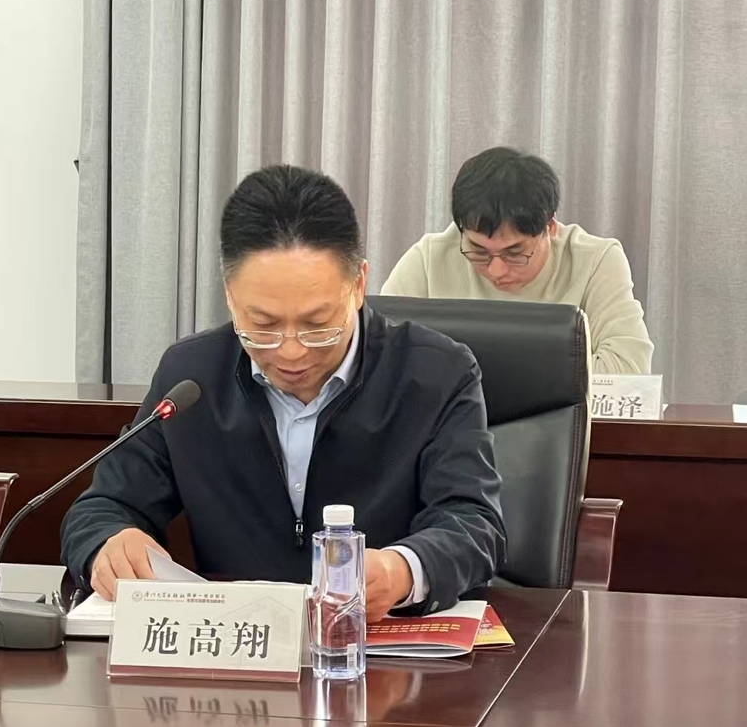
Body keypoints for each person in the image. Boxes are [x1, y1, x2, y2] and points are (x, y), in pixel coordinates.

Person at [61, 164, 506, 622]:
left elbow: (475, 524)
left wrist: (403, 570)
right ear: (230, 295)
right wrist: (108, 544)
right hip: (236, 649)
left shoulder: (436, 374)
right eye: (263, 326)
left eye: (317, 325)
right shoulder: (192, 377)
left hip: (374, 647)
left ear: (358, 285)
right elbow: (103, 507)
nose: (291, 352)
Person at [382, 147, 653, 374]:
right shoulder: (430, 258)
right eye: (478, 250)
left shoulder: (595, 261)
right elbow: (378, 356)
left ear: (550, 228)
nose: (496, 270)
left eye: (514, 253)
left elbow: (628, 368)